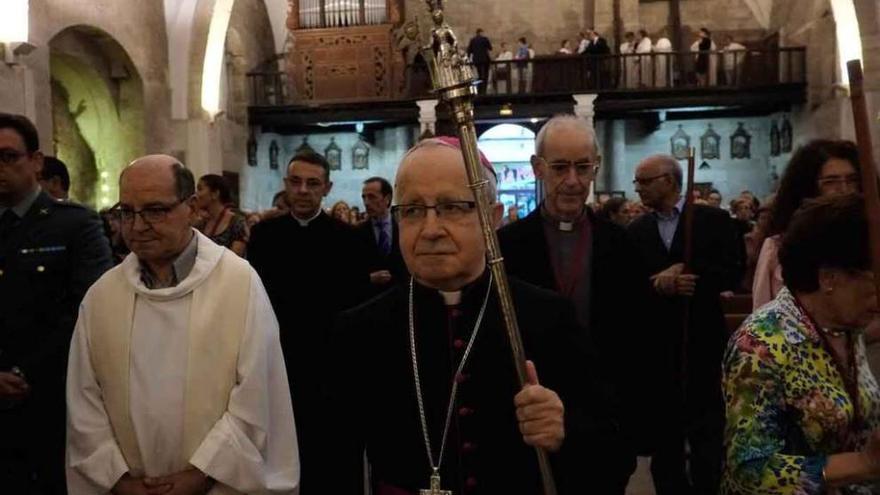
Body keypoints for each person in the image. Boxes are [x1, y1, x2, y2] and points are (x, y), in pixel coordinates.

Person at [327, 136, 628, 494]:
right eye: (412, 210)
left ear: (493, 218)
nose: (431, 229)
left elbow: (616, 450)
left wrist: (565, 431)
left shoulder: (547, 316)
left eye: (452, 207)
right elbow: (335, 464)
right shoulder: (359, 329)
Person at [66, 155, 299, 494]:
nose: (137, 225)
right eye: (126, 211)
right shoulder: (103, 296)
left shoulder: (237, 284)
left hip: (217, 484)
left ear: (192, 208)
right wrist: (118, 479)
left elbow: (257, 392)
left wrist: (202, 473)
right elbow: (83, 399)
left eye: (155, 210)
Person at [499, 116, 647, 491]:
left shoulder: (622, 245)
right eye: (560, 167)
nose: (573, 180)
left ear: (595, 166)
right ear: (537, 168)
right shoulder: (507, 247)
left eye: (583, 167)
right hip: (530, 426)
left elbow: (639, 342)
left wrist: (628, 430)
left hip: (604, 428)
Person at [722, 193, 880, 493]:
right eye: (875, 279)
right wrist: (864, 463)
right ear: (829, 277)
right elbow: (751, 472)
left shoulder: (845, 325)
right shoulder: (760, 345)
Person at [247, 149, 373, 493]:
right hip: (280, 366)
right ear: (286, 184)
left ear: (327, 188)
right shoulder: (265, 236)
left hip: (331, 369)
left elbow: (359, 307)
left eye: (312, 183)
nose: (303, 190)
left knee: (332, 463)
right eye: (295, 181)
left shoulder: (348, 240)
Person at [0, 113, 112, 494]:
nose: (0, 168)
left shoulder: (74, 225)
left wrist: (23, 372)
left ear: (35, 161)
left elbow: (88, 309)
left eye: (8, 156)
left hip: (51, 397)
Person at [628, 153, 744, 495]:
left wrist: (693, 276)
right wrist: (656, 283)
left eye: (644, 181)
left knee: (708, 438)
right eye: (637, 182)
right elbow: (627, 285)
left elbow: (732, 270)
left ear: (668, 180)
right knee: (666, 447)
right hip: (658, 350)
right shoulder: (636, 231)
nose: (639, 189)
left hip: (702, 341)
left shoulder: (711, 220)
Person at [753, 140, 861, 309]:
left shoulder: (871, 239)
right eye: (830, 182)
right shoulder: (776, 247)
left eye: (852, 180)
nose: (844, 190)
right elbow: (762, 315)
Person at [357, 176, 408, 293]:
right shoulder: (357, 232)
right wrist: (369, 278)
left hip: (401, 296)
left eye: (372, 197)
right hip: (369, 299)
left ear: (387, 198)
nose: (366, 203)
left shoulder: (404, 229)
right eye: (364, 197)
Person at [195, 173, 248, 256]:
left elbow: (235, 259)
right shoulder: (201, 222)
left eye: (200, 189)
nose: (196, 194)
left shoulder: (236, 223)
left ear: (215, 194)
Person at [467, 28, 493, 94]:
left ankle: (479, 90)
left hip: (476, 61)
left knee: (480, 75)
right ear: (481, 32)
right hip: (485, 60)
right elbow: (490, 48)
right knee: (484, 76)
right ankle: (483, 91)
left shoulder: (472, 40)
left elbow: (469, 50)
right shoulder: (484, 39)